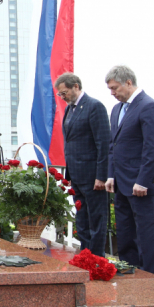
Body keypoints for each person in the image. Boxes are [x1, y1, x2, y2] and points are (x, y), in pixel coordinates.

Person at [105, 65, 154, 276]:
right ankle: (129, 269)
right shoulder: (116, 110)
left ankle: (151, 276)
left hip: (142, 184)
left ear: (128, 83)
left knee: (146, 232)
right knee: (124, 229)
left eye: (115, 88)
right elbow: (113, 146)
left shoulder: (148, 106)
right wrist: (110, 175)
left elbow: (153, 148)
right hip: (121, 182)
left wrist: (143, 180)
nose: (112, 93)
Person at [55, 72, 111, 257]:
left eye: (65, 93)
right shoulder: (70, 110)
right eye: (60, 95)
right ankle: (85, 254)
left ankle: (96, 257)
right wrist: (69, 175)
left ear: (76, 86)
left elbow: (103, 145)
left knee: (96, 219)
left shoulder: (94, 107)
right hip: (77, 176)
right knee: (82, 218)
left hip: (93, 176)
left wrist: (101, 176)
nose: (63, 97)